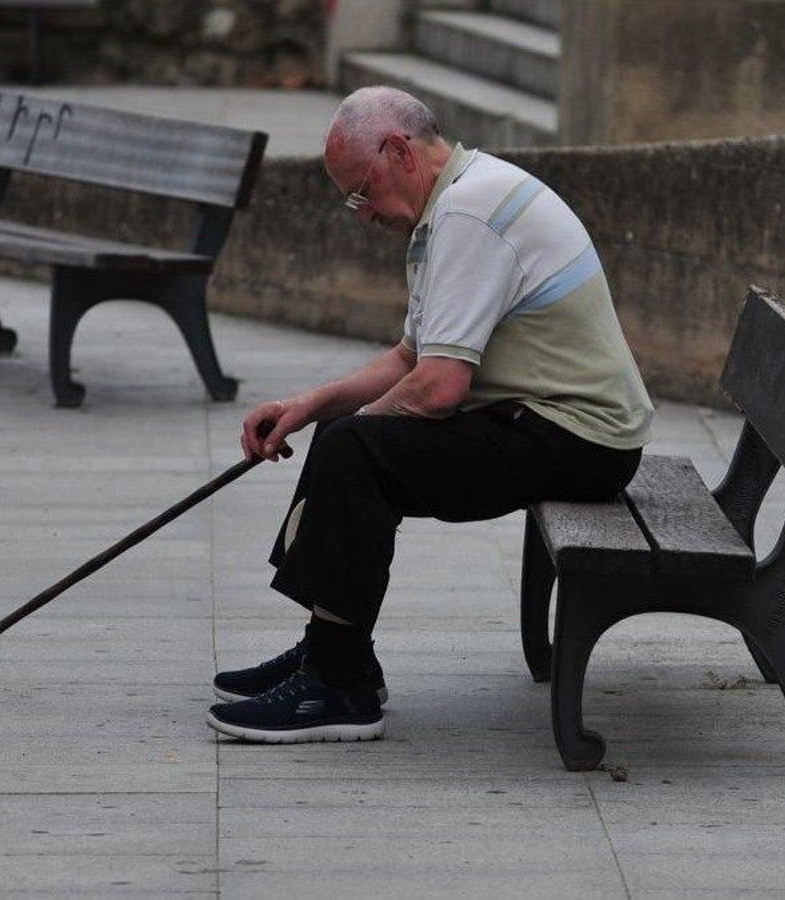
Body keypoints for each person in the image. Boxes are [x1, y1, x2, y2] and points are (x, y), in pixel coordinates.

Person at [205, 86, 654, 744]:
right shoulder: (454, 200)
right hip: (548, 421)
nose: (361, 214)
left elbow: (439, 388)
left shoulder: (469, 213)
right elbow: (411, 356)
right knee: (345, 433)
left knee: (356, 452)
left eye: (361, 190)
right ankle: (334, 652)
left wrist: (350, 437)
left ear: (397, 151)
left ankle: (339, 684)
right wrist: (308, 408)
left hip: (581, 439)